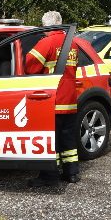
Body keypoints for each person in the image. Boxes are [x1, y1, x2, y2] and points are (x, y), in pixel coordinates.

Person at [26, 11, 81, 186]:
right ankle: (71, 173)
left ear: (46, 26)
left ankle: (49, 176)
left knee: (51, 139)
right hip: (70, 99)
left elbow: (29, 65)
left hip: (53, 99)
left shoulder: (46, 42)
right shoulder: (72, 43)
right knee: (68, 139)